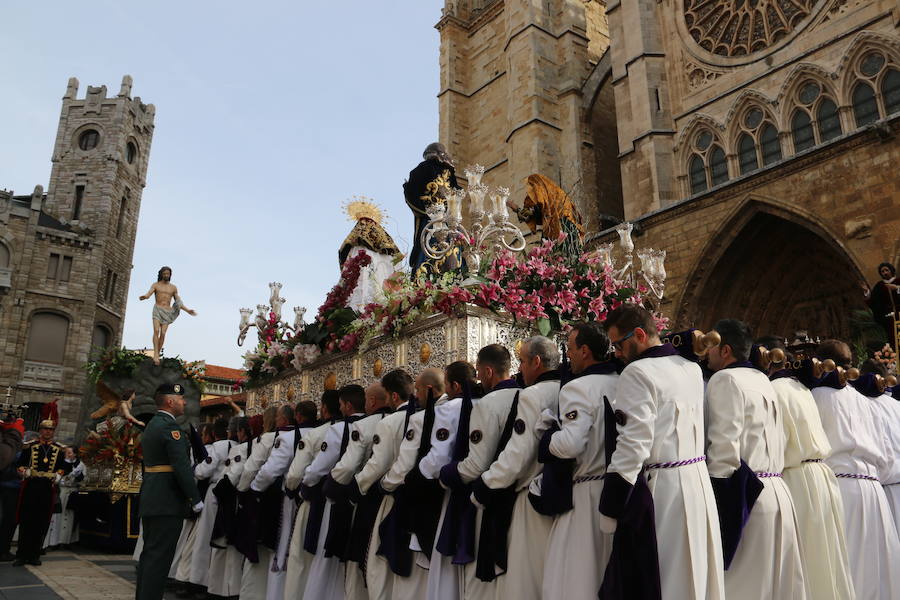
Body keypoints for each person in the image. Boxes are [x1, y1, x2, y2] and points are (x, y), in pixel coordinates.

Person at [602, 304, 725, 600]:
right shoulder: (691, 368)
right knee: (695, 576)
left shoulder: (638, 372)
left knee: (666, 579)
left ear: (640, 334)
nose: (617, 352)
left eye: (618, 344)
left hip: (665, 490)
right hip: (698, 483)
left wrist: (611, 505)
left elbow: (633, 444)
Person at [705, 320, 806, 600]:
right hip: (778, 492)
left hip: (747, 495)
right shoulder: (762, 379)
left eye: (711, 347)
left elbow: (724, 451)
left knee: (742, 587)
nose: (706, 353)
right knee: (776, 586)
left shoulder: (725, 380)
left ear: (725, 350)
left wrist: (717, 506)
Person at [760, 340, 854, 600]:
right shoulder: (801, 388)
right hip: (822, 475)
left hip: (796, 478)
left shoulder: (773, 389)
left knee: (806, 561)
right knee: (828, 560)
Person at [812, 340, 900, 600]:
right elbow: (883, 452)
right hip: (873, 488)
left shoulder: (816, 395)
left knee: (848, 568)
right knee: (879, 572)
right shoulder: (864, 399)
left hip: (841, 487)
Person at [474, 336, 560, 600]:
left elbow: (518, 452)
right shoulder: (567, 387)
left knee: (526, 580)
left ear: (536, 361)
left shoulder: (532, 395)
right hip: (564, 496)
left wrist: (486, 485)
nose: (519, 369)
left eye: (522, 362)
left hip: (531, 500)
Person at [539, 323, 618, 598]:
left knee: (574, 576)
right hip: (618, 490)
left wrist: (547, 438)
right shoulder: (623, 380)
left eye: (570, 350)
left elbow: (572, 444)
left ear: (585, 351)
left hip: (585, 496)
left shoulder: (578, 388)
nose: (568, 356)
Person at [438, 344, 520, 599]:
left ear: (487, 371)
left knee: (480, 587)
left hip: (490, 498)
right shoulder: (528, 393)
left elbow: (475, 464)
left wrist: (447, 474)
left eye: (479, 371)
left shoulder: (487, 403)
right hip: (523, 497)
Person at [381, 367, 447, 600]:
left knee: (416, 580)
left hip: (422, 501)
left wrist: (386, 484)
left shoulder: (419, 418)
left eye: (418, 390)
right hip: (448, 498)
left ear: (429, 390)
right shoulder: (460, 407)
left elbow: (405, 465)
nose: (414, 395)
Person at [326, 382, 394, 600]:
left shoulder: (364, 425)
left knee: (359, 563)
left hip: (366, 498)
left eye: (366, 399)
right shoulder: (406, 419)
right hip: (394, 498)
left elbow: (347, 466)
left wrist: (334, 486)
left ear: (372, 401)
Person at [135, 383, 203, 600]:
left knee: (150, 556)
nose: (184, 402)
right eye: (181, 399)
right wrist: (195, 498)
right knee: (159, 558)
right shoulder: (169, 428)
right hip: (167, 500)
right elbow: (181, 467)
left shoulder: (154, 424)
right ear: (170, 401)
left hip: (154, 497)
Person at [355, 369, 418, 600]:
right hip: (418, 499)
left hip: (390, 497)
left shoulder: (390, 422)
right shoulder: (424, 415)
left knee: (378, 566)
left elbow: (378, 463)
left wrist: (359, 485)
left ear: (392, 396)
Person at [301, 385, 367, 600]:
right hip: (366, 498)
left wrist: (308, 482)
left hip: (338, 497)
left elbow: (321, 467)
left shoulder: (339, 429)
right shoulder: (375, 423)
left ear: (348, 405)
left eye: (340, 405)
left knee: (328, 555)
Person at [283, 393, 340, 600]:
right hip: (340, 501)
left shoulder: (316, 434)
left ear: (324, 409)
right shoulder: (350, 429)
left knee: (300, 557)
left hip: (312, 499)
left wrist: (295, 489)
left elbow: (297, 473)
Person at [14, 418, 71, 566]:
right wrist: (24, 471)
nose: (48, 432)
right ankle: (21, 554)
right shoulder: (30, 446)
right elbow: (19, 464)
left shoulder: (59, 449)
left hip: (47, 488)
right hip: (31, 487)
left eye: (50, 429)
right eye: (45, 429)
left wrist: (59, 474)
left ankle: (34, 554)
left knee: (41, 522)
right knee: (26, 520)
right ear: (40, 430)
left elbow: (63, 467)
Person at [403, 142, 461, 275]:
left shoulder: (424, 169)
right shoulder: (447, 171)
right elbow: (457, 194)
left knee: (433, 249)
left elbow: (412, 195)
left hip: (432, 221)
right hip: (443, 221)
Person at [138, 266, 198, 365]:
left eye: (168, 274)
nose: (166, 275)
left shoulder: (173, 288)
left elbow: (178, 302)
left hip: (167, 312)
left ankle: (157, 352)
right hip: (157, 309)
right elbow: (149, 293)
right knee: (156, 330)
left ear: (170, 275)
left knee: (163, 333)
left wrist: (188, 310)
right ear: (161, 274)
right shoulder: (156, 285)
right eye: (165, 273)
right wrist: (145, 296)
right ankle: (156, 354)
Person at [862, 262, 900, 350]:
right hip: (889, 319)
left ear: (891, 271)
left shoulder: (898, 281)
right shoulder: (879, 286)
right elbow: (873, 303)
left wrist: (897, 288)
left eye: (886, 270)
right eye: (882, 271)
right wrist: (867, 292)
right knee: (893, 340)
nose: (885, 273)